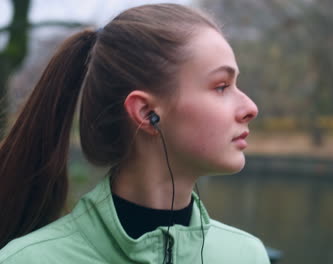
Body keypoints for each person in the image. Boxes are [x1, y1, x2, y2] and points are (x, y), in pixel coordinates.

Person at [0, 3, 270, 264]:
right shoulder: (28, 260)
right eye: (221, 86)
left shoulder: (246, 256)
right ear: (145, 112)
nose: (250, 108)